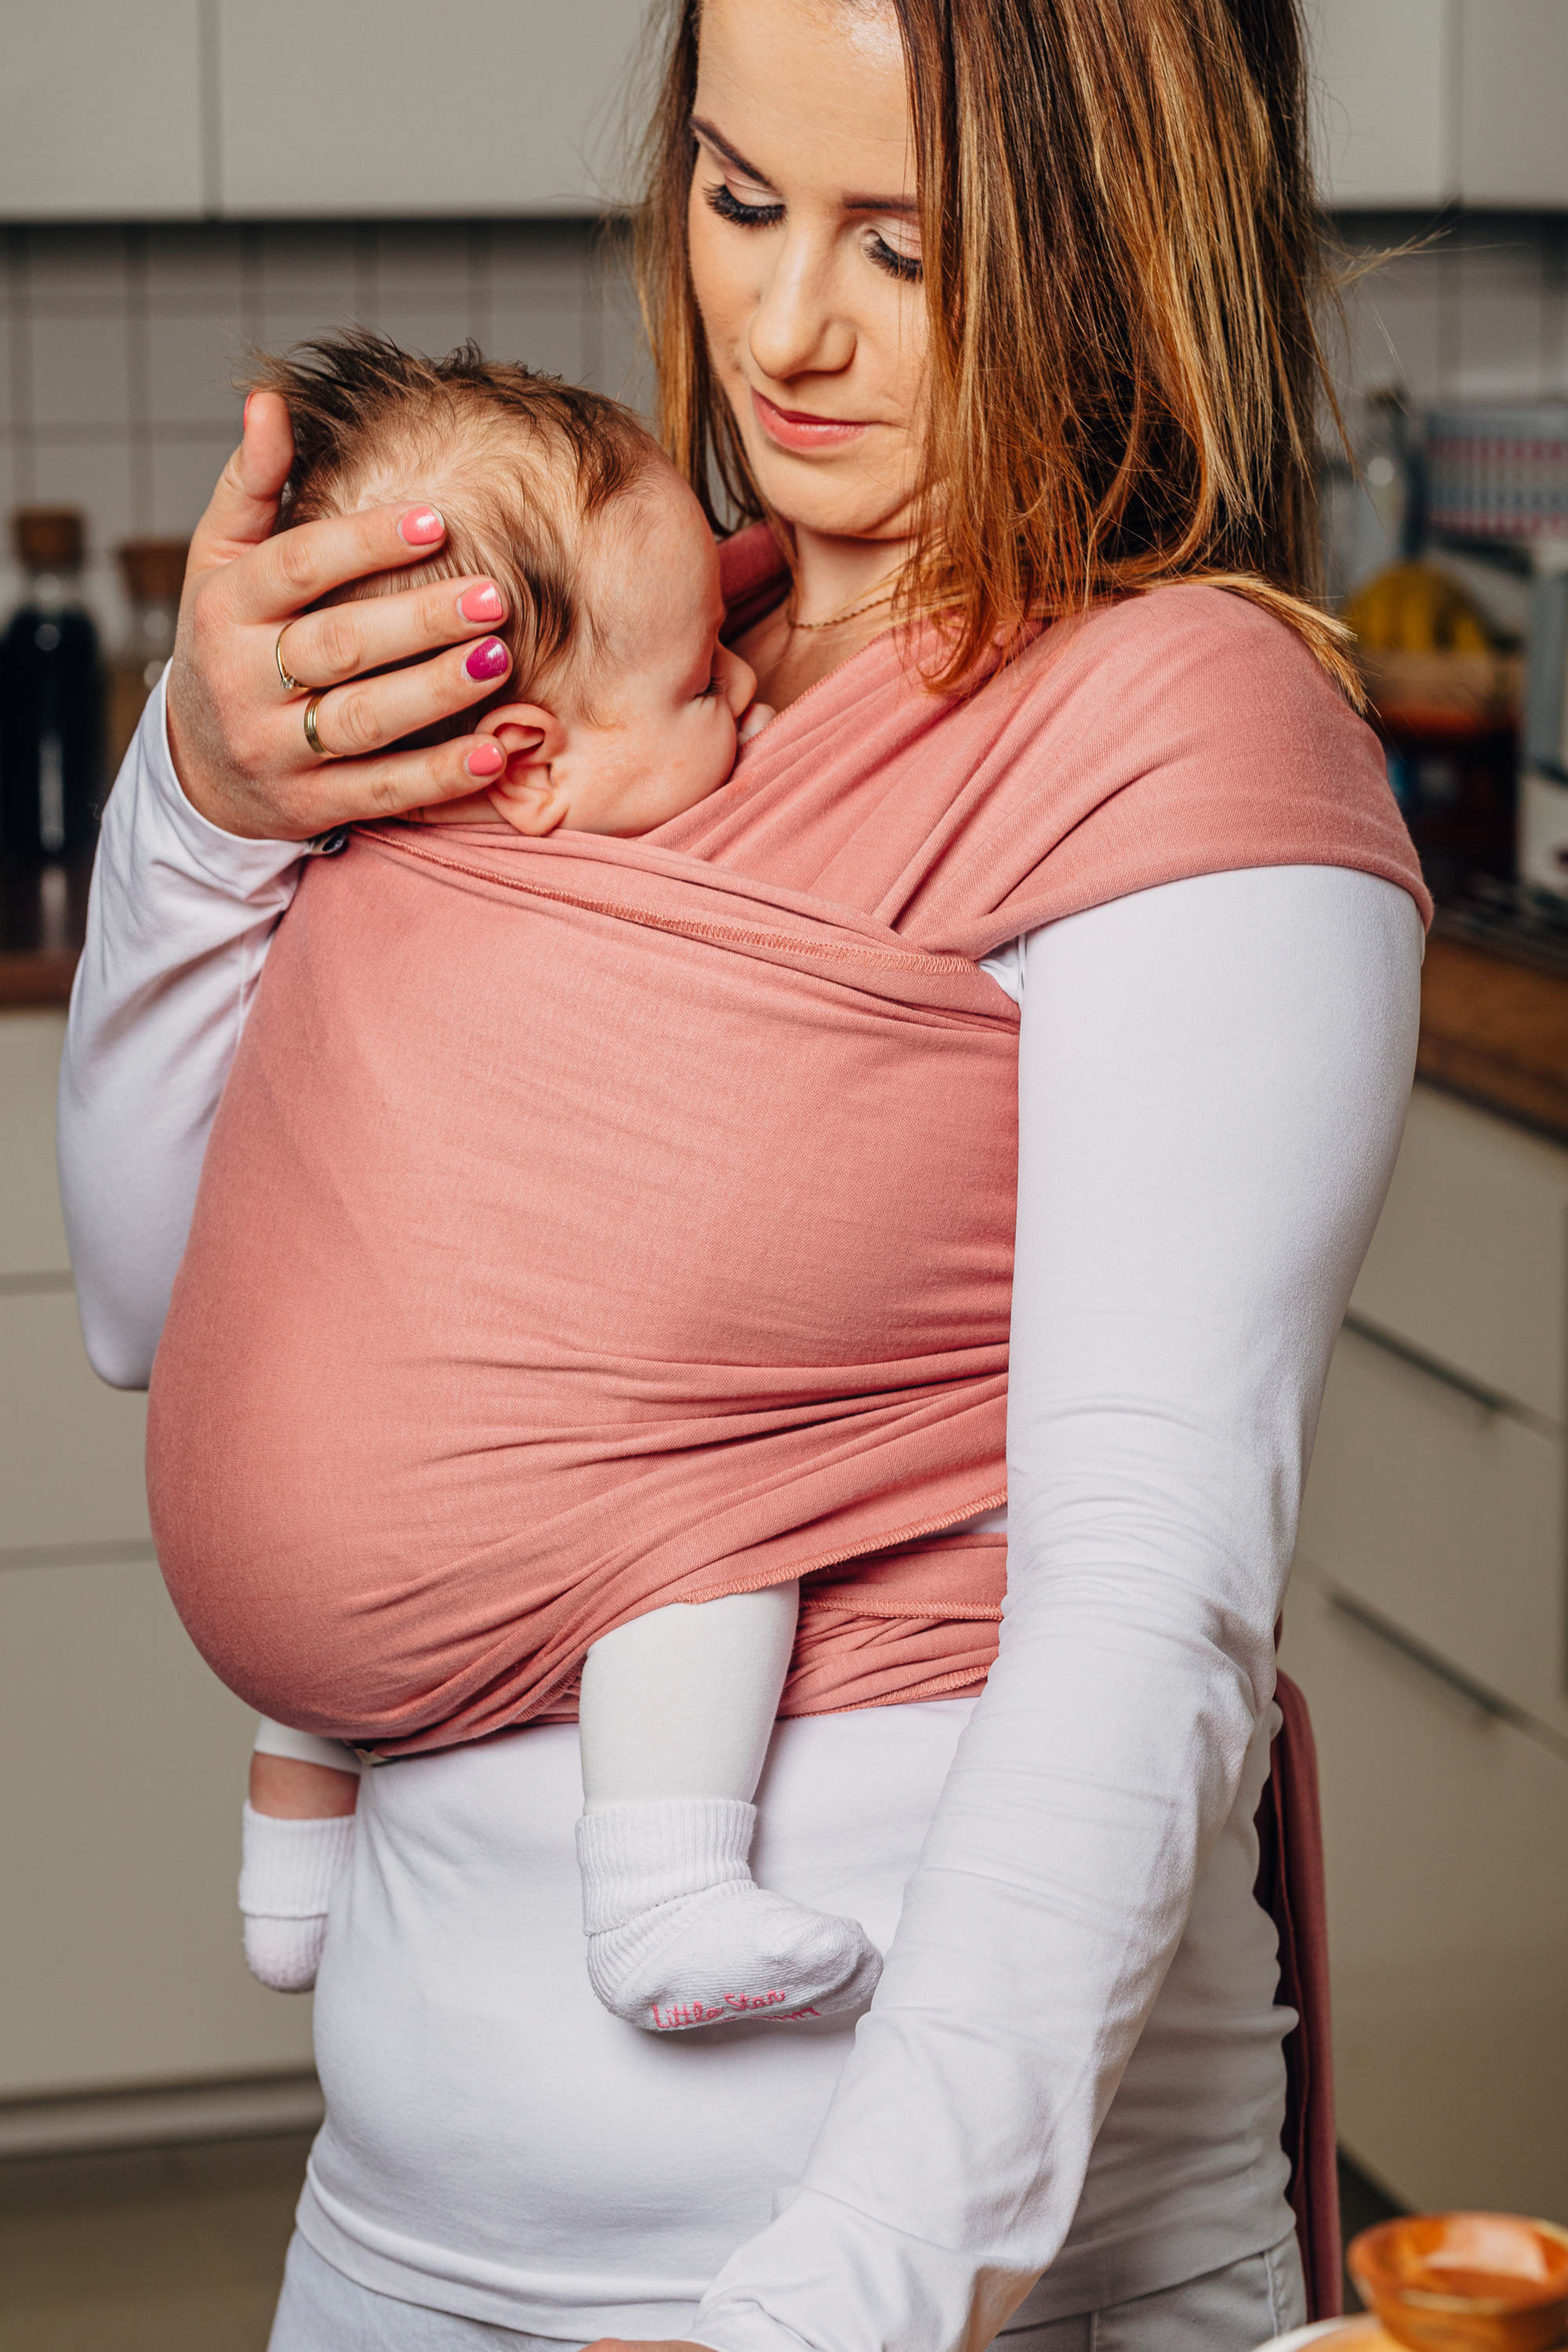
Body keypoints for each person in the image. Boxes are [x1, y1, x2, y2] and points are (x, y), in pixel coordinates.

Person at [58, 3, 1429, 2348]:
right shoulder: (619, 670)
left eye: (907, 244)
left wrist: (846, 2303)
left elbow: (1143, 1608)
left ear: (1113, 249)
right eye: (738, 195)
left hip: (927, 2290)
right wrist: (203, 804)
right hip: (393, 2245)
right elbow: (165, 1305)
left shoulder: (1174, 723)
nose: (785, 328)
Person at [198, 332, 880, 2033]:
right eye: (695, 685)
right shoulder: (604, 902)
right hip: (449, 1544)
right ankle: (658, 1890)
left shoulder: (335, 877)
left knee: (349, 1371)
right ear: (531, 771)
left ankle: (290, 1858)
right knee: (711, 1498)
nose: (740, 690)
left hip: (247, 1541)